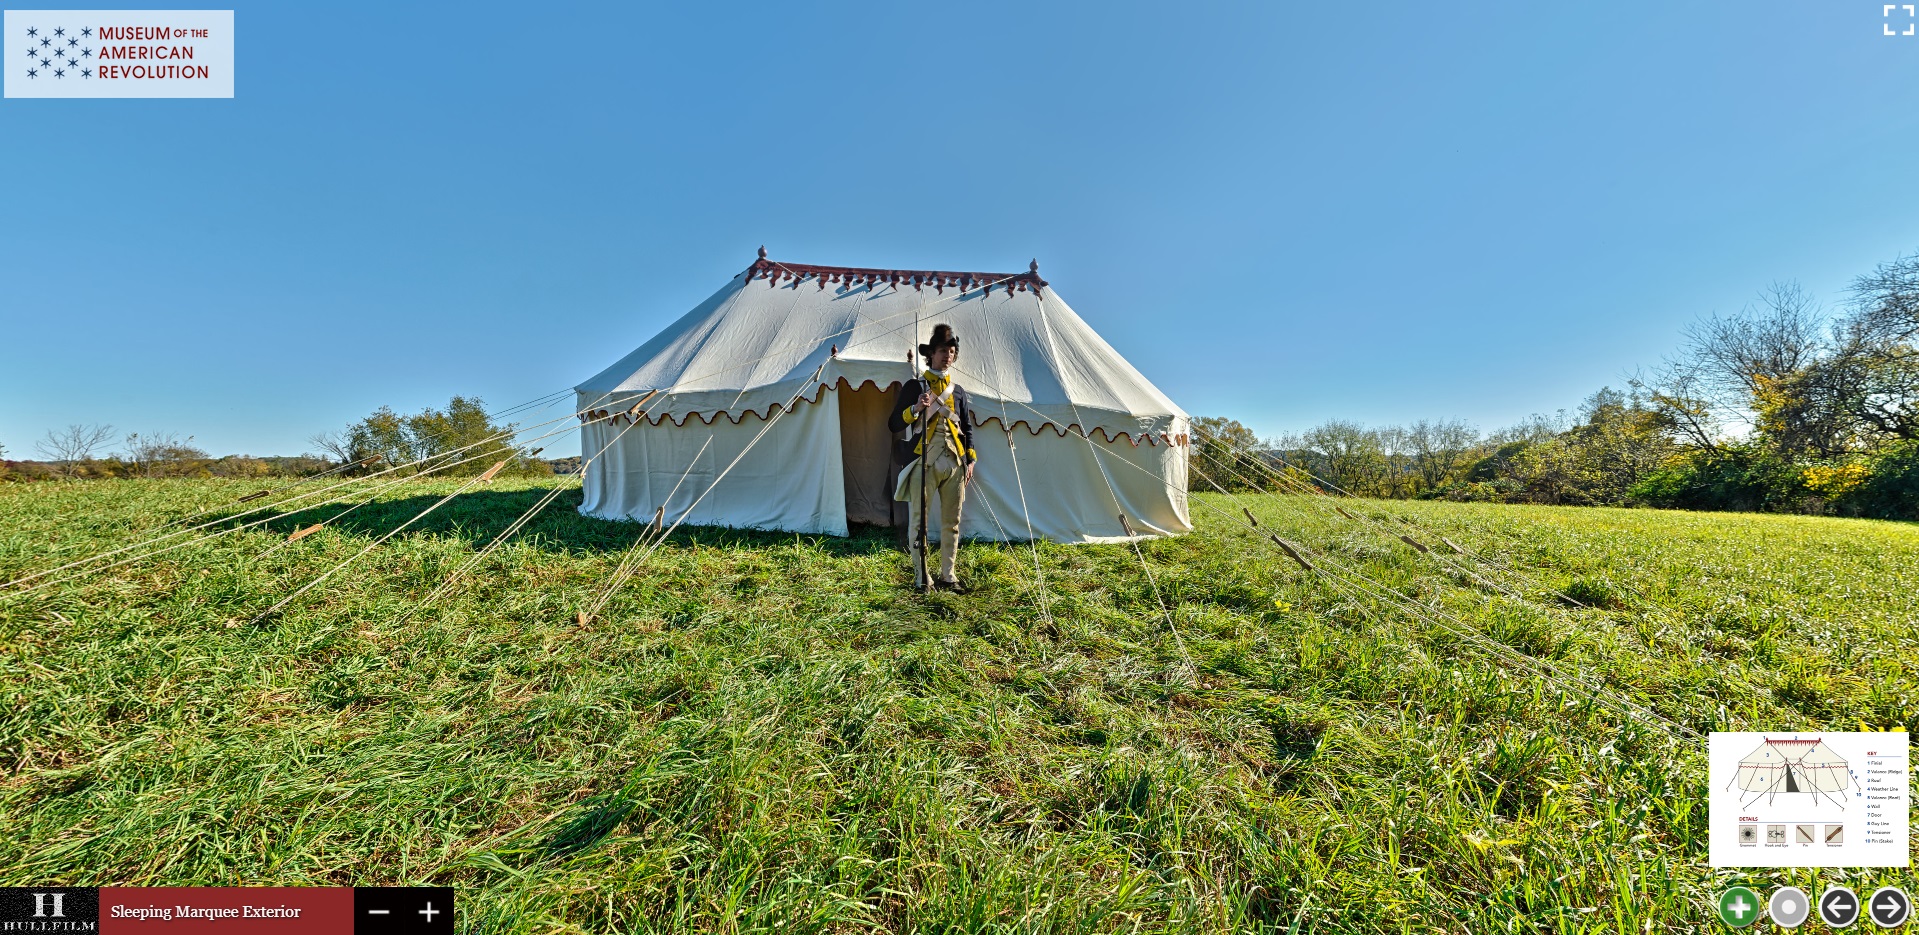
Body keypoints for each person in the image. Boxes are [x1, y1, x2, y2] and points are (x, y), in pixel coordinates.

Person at [889, 323, 977, 592]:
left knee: (953, 522)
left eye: (951, 351)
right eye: (942, 350)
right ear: (931, 355)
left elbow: (967, 427)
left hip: (954, 464)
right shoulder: (914, 385)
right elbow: (893, 423)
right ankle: (921, 577)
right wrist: (915, 408)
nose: (947, 355)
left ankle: (948, 575)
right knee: (919, 521)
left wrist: (970, 459)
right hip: (922, 461)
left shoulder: (958, 391)